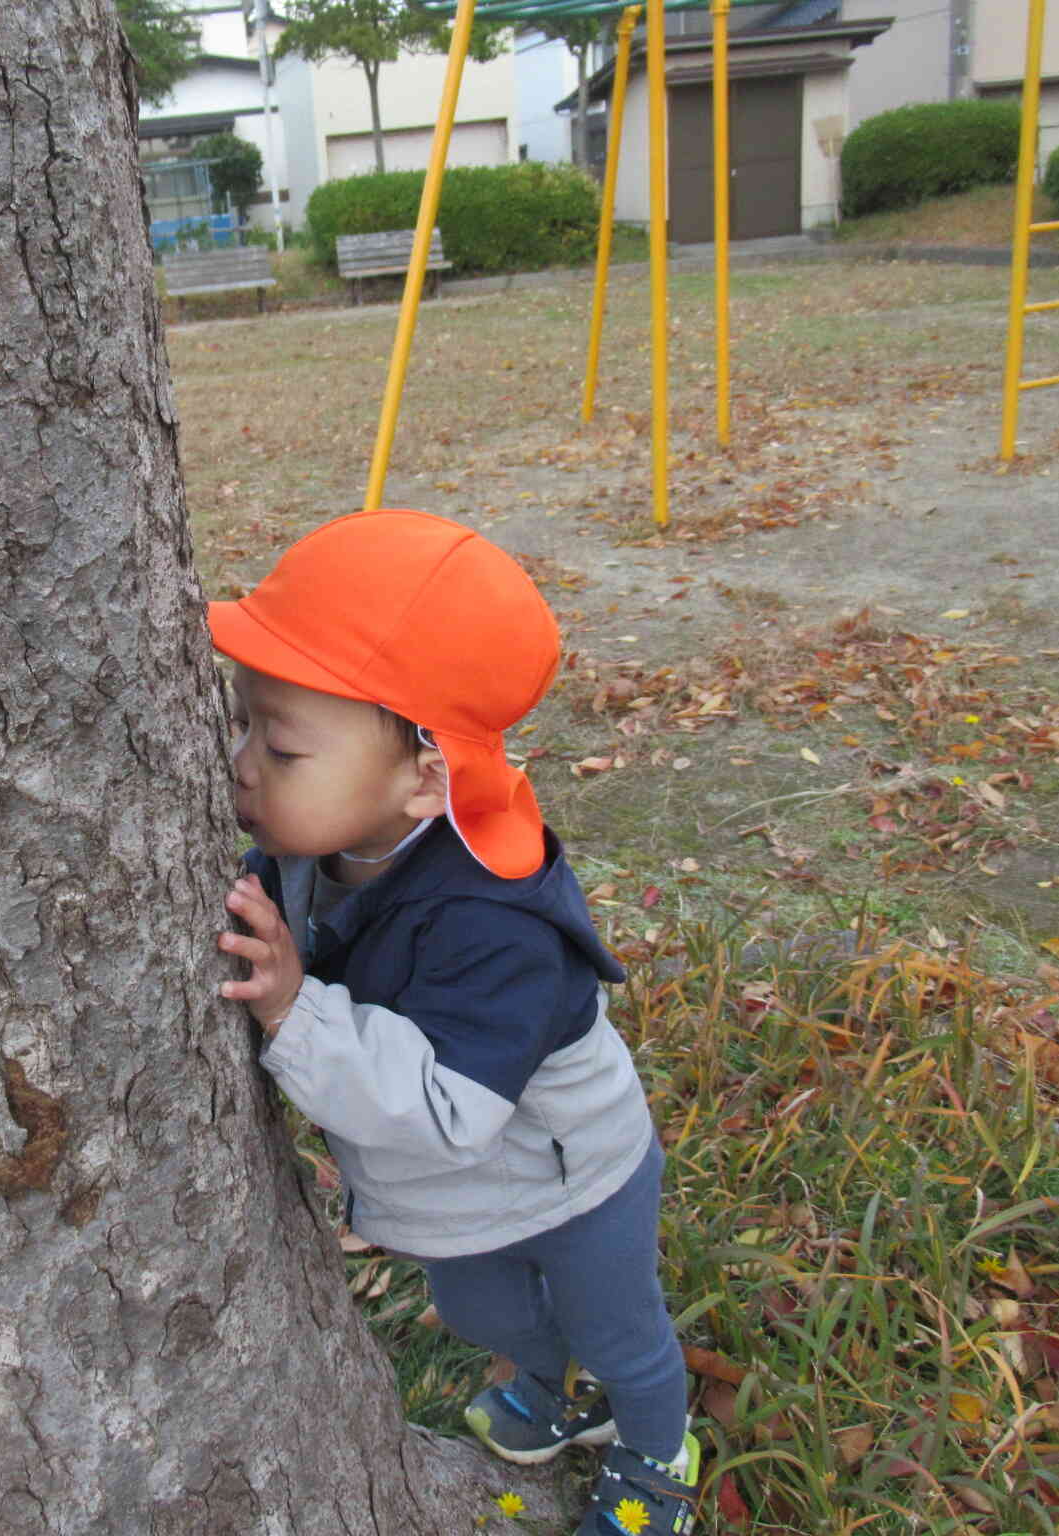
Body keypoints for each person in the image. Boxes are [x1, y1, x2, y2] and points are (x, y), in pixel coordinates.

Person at [210, 510, 699, 1536]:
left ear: (425, 778)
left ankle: (656, 1449)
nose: (241, 766)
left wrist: (297, 1007)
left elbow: (448, 1109)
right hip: (461, 1192)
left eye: (283, 748)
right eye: (242, 723)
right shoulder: (318, 841)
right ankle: (545, 1387)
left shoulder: (493, 925)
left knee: (615, 1326)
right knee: (484, 1311)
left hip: (574, 1175)